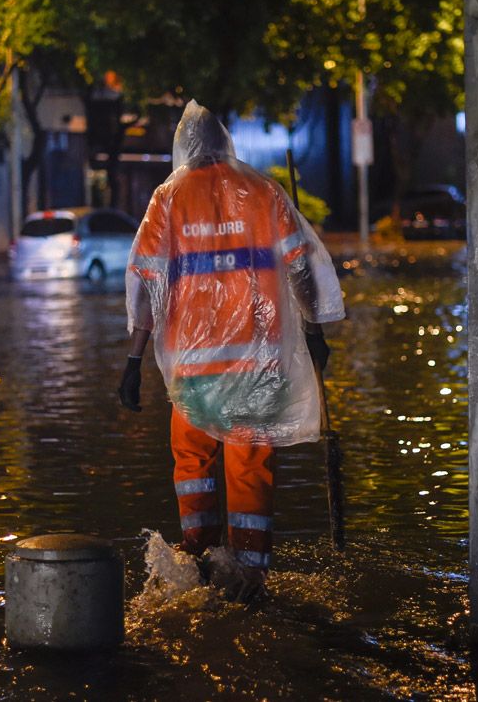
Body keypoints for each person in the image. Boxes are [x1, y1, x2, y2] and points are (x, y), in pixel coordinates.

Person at [117, 101, 345, 601]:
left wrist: (135, 359)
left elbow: (144, 282)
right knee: (250, 474)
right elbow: (300, 269)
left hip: (192, 375)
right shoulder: (264, 191)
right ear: (226, 143)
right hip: (257, 371)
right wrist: (313, 331)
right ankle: (252, 579)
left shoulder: (168, 198)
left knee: (193, 467)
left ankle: (197, 564)